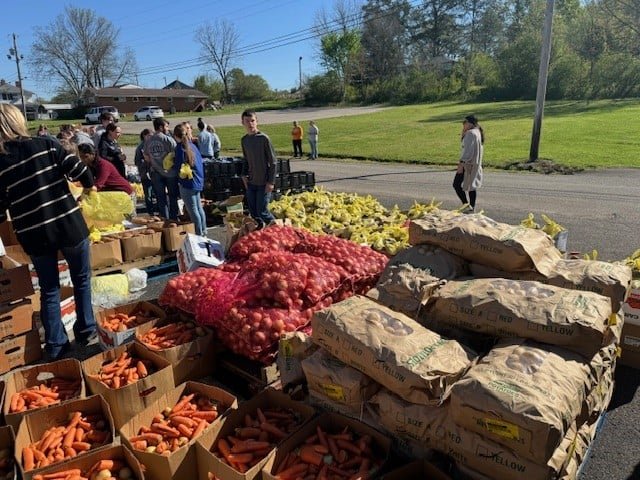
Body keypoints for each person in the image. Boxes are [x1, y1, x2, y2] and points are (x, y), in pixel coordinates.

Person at [0, 104, 97, 361]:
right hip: (68, 225)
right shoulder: (46, 145)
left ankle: (56, 344)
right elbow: (82, 173)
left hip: (34, 234)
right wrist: (86, 188)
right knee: (82, 279)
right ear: (18, 120)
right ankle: (86, 329)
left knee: (49, 288)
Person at [241, 110, 276, 227]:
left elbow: (273, 162)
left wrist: (271, 182)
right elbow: (246, 159)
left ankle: (279, 230)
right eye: (247, 121)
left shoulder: (263, 139)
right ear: (243, 123)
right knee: (254, 212)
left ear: (257, 122)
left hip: (263, 182)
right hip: (251, 182)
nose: (250, 124)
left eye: (253, 121)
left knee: (263, 212)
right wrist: (243, 175)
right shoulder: (244, 140)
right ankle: (262, 235)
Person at [173, 124, 207, 236]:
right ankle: (204, 230)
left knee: (193, 210)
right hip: (197, 181)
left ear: (175, 136)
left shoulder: (180, 148)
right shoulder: (192, 146)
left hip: (187, 184)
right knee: (198, 208)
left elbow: (178, 167)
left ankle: (199, 233)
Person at [144, 118, 179, 220]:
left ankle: (165, 218)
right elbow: (175, 154)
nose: (167, 129)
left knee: (161, 198)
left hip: (155, 171)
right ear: (160, 127)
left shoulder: (148, 140)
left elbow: (146, 157)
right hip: (170, 172)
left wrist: (155, 161)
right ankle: (174, 218)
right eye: (166, 126)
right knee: (172, 196)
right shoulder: (168, 139)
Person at [453, 115, 484, 212]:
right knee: (472, 187)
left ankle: (466, 205)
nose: (463, 125)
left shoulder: (470, 133)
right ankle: (471, 207)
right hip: (475, 163)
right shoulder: (477, 132)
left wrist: (461, 164)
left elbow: (467, 151)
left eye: (464, 123)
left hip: (467, 164)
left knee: (456, 184)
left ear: (470, 123)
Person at [134, 128, 155, 214]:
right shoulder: (140, 147)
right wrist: (146, 161)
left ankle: (156, 209)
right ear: (144, 136)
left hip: (154, 172)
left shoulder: (152, 144)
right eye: (149, 136)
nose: (151, 137)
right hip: (145, 174)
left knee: (156, 192)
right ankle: (150, 212)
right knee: (148, 194)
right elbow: (137, 161)